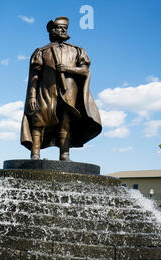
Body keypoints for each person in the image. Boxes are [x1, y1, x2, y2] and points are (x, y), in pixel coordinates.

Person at [20, 16, 102, 161]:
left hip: (69, 93)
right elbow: (34, 77)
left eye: (65, 27)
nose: (63, 29)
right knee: (38, 121)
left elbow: (85, 71)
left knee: (66, 122)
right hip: (45, 92)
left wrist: (68, 69)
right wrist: (32, 96)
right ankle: (35, 154)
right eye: (59, 27)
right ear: (51, 31)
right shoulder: (42, 51)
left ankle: (65, 154)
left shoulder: (77, 51)